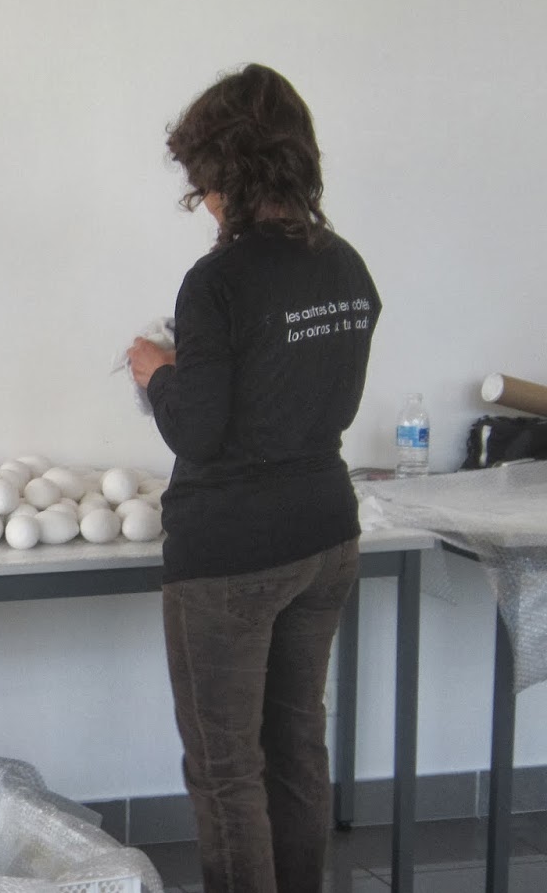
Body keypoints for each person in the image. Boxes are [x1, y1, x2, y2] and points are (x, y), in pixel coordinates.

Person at [127, 64, 382, 893]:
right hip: (325, 535)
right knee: (297, 750)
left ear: (225, 173)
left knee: (227, 770)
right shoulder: (346, 267)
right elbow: (307, 394)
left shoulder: (218, 281)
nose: (202, 199)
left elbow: (199, 431)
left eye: (203, 179)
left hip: (231, 556)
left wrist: (158, 372)